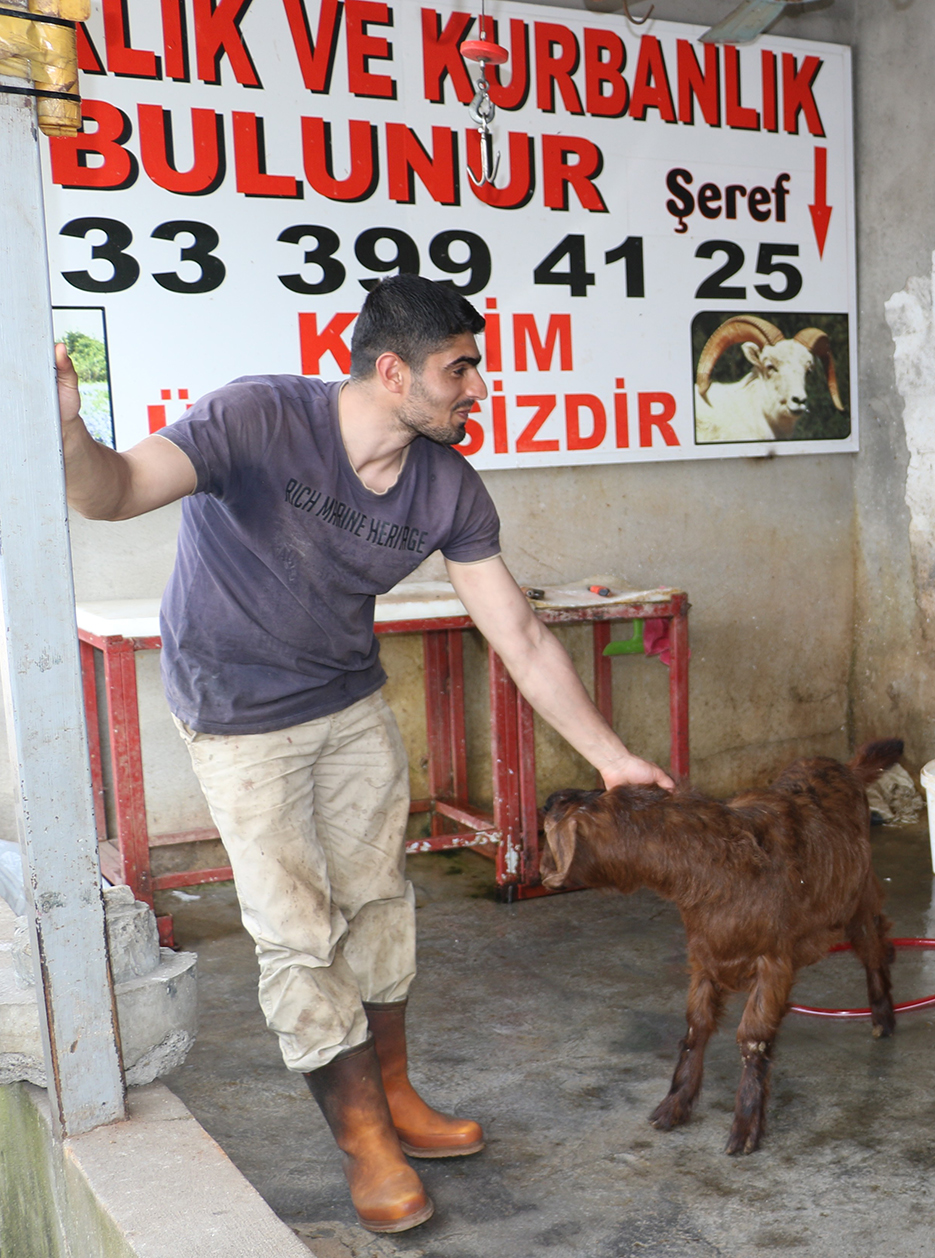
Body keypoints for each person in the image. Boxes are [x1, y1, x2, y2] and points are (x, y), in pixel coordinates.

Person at [57, 276, 674, 1235]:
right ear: (393, 372)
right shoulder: (256, 419)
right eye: (458, 368)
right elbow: (117, 492)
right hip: (237, 713)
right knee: (297, 930)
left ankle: (394, 1095)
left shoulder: (445, 486)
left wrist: (612, 759)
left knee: (381, 902)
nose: (479, 386)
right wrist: (67, 436)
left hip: (346, 702)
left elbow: (519, 633)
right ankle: (362, 1142)